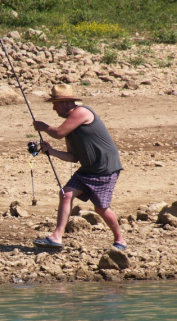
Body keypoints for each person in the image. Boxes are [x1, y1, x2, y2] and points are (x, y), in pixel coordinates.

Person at [32, 84, 127, 251]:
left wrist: (44, 127)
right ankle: (56, 237)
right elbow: (73, 157)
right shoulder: (69, 126)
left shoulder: (82, 112)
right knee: (66, 194)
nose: (53, 108)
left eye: (56, 103)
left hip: (104, 168)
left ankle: (120, 240)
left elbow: (58, 133)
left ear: (68, 103)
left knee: (101, 208)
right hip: (88, 168)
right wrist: (52, 151)